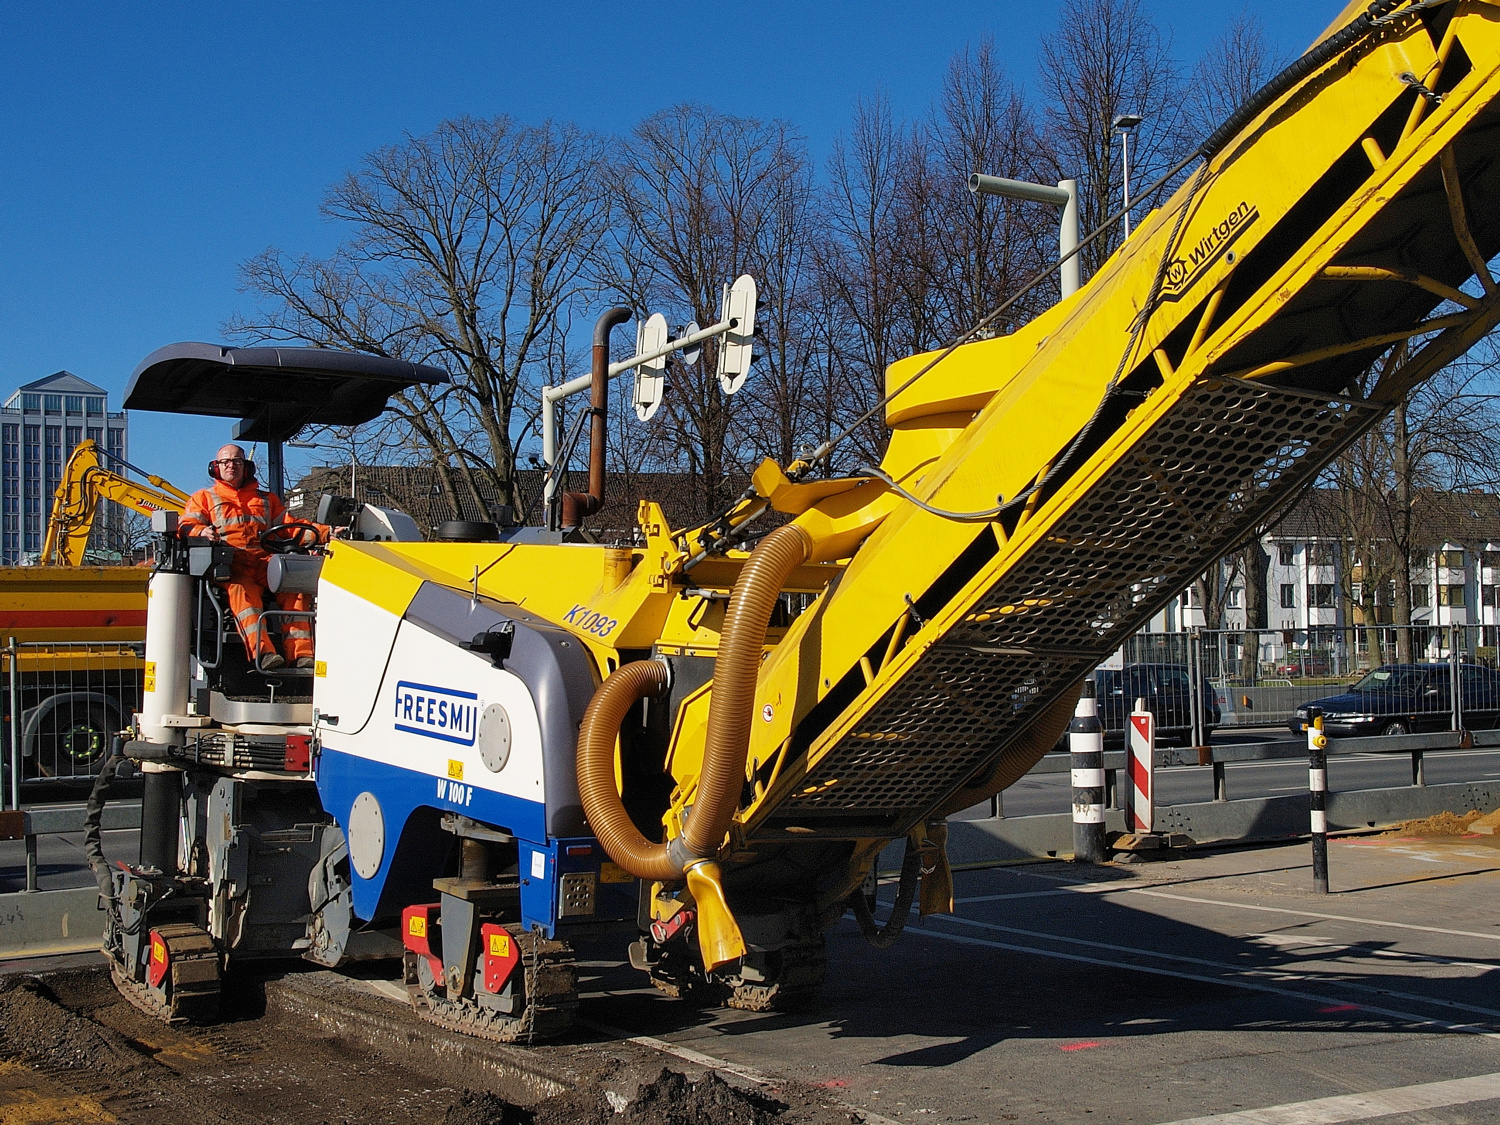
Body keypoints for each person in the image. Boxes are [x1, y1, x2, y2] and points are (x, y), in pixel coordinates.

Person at [179, 444, 325, 671]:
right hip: (231, 564)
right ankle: (264, 654)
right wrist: (201, 531)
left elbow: (292, 527)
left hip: (264, 562)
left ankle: (301, 656)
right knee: (243, 593)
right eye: (225, 462)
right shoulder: (204, 498)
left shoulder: (267, 500)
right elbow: (186, 525)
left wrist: (327, 533)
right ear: (215, 467)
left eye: (236, 461)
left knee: (295, 588)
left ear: (246, 466)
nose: (231, 465)